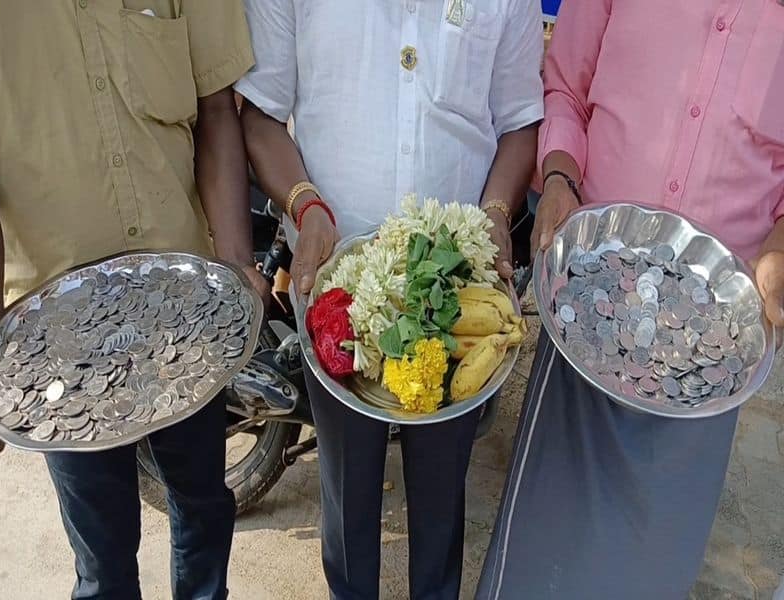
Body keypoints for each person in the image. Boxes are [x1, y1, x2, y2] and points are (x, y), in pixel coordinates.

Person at [235, 1, 543, 597]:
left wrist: (499, 214)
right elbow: (261, 114)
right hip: (337, 290)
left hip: (455, 290)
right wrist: (307, 204)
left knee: (440, 482)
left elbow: (519, 120)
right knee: (347, 485)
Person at [477, 1, 784, 598]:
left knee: (649, 558)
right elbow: (564, 86)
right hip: (587, 313)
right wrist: (561, 177)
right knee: (542, 542)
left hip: (708, 358)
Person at [0, 2, 269, 598]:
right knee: (103, 556)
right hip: (55, 342)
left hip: (185, 314)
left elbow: (218, 109)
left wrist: (238, 262)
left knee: (203, 505)